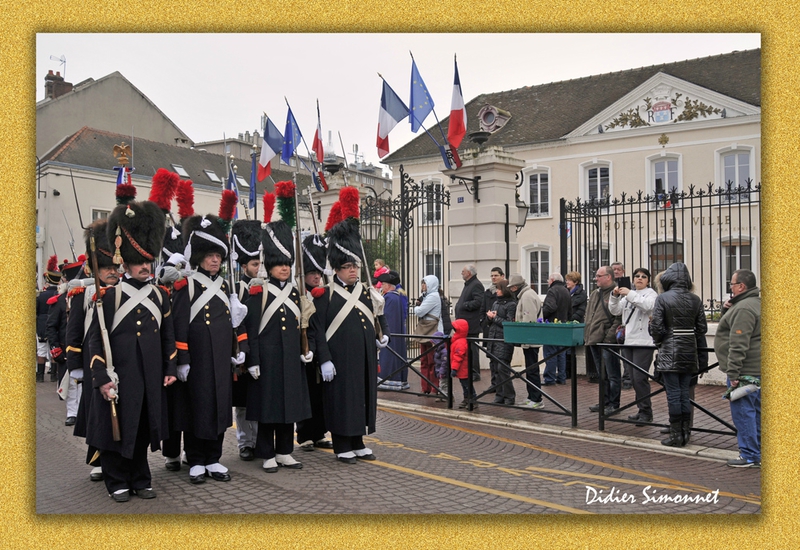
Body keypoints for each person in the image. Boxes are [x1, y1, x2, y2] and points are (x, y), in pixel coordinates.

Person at [85, 199, 177, 502]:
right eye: (140, 262)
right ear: (125, 263)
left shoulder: (160, 297)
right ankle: (117, 480)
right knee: (117, 431)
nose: (146, 267)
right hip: (119, 376)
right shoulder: (108, 298)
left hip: (150, 376)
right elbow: (95, 342)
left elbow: (168, 337)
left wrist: (169, 368)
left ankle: (141, 477)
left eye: (149, 262)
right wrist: (102, 377)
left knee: (141, 430)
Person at [307, 189, 389, 464]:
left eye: (355, 265)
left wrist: (383, 335)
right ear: (337, 269)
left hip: (364, 356)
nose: (353, 270)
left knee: (363, 399)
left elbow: (377, 316)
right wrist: (325, 360)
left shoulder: (366, 291)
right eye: (347, 267)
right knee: (342, 401)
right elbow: (318, 330)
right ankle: (342, 443)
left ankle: (359, 440)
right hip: (339, 359)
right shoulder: (325, 294)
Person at [172, 212, 248, 484]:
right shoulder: (186, 285)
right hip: (197, 360)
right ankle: (195, 459)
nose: (215, 259)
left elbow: (232, 324)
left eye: (218, 255)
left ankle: (213, 458)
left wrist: (238, 346)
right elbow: (179, 325)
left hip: (220, 360)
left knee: (218, 410)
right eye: (209, 255)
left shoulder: (226, 285)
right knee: (196, 410)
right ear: (199, 257)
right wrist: (182, 359)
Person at [244, 212, 312, 473]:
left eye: (287, 264)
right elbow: (252, 330)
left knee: (289, 408)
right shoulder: (259, 291)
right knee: (268, 411)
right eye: (279, 264)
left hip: (291, 358)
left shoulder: (296, 293)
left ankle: (285, 451)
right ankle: (267, 453)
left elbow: (305, 327)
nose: (284, 268)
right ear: (269, 265)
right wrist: (254, 361)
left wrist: (307, 350)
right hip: (268, 360)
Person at [66, 220, 120, 483]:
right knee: (96, 412)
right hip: (92, 361)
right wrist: (74, 363)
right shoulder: (83, 293)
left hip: (118, 359)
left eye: (115, 268)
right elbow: (74, 331)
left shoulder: (123, 291)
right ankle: (97, 458)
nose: (112, 272)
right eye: (107, 268)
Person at [649, 262, 707, 448]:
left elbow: (657, 327)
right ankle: (685, 433)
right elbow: (702, 328)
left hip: (669, 350)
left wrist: (660, 340)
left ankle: (676, 435)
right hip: (689, 351)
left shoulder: (663, 298)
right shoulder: (695, 299)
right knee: (683, 393)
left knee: (673, 394)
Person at [716, 269, 761, 467]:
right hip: (756, 368)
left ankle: (749, 454)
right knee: (756, 412)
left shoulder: (744, 309)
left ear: (741, 286)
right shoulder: (754, 304)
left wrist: (733, 373)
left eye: (732, 284)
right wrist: (727, 310)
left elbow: (738, 343)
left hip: (745, 371)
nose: (730, 288)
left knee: (744, 413)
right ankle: (758, 451)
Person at [228, 219, 263, 462]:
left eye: (259, 262)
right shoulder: (235, 289)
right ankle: (244, 443)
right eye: (254, 263)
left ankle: (259, 441)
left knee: (258, 401)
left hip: (260, 353)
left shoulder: (265, 287)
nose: (258, 267)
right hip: (241, 352)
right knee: (241, 404)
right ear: (243, 266)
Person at [296, 233, 334, 451]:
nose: (316, 277)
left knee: (321, 396)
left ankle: (319, 433)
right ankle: (305, 435)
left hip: (322, 350)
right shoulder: (300, 294)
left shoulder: (324, 295)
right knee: (306, 394)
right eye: (312, 273)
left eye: (319, 273)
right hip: (305, 350)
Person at [609, 267, 657, 426]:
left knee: (639, 378)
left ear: (648, 280)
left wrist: (629, 293)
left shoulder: (651, 294)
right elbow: (615, 310)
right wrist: (615, 296)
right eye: (637, 276)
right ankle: (641, 409)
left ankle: (646, 412)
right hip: (628, 341)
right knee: (632, 377)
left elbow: (647, 306)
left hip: (643, 342)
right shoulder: (627, 294)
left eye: (644, 276)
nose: (640, 279)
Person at [47, 257, 85, 422]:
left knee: (83, 382)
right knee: (69, 383)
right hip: (65, 348)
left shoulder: (86, 298)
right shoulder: (60, 301)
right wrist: (55, 348)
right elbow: (51, 327)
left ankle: (82, 412)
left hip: (83, 347)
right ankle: (72, 413)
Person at [585, 266, 622, 415]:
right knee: (602, 374)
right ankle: (604, 401)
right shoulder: (595, 293)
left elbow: (619, 318)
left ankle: (614, 404)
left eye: (599, 276)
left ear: (608, 277)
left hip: (607, 340)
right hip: (593, 339)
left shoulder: (617, 293)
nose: (596, 278)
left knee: (612, 374)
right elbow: (589, 315)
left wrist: (609, 337)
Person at [508, 274, 544, 409]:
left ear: (516, 287)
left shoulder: (527, 296)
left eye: (511, 287)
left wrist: (526, 340)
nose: (511, 290)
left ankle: (536, 399)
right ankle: (532, 397)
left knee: (532, 369)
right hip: (530, 339)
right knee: (531, 369)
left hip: (530, 340)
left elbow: (529, 319)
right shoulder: (527, 294)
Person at [376, 270, 409, 391]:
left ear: (389, 285)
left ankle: (389, 380)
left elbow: (385, 317)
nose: (382, 286)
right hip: (397, 330)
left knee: (389, 355)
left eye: (384, 284)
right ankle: (400, 380)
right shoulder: (396, 296)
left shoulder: (389, 297)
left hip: (391, 332)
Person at [485, 279, 517, 405]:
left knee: (503, 368)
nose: (496, 291)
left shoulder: (512, 305)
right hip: (493, 338)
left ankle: (509, 396)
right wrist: (489, 317)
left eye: (498, 289)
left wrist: (495, 318)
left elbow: (509, 323)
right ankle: (499, 395)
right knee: (495, 368)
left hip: (504, 339)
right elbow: (489, 323)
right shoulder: (495, 303)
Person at [454, 264, 484, 381]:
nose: (461, 273)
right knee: (467, 349)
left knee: (473, 349)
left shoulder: (476, 285)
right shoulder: (468, 284)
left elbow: (478, 302)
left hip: (471, 324)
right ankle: (468, 371)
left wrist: (465, 305)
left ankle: (475, 372)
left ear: (469, 273)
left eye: (463, 271)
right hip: (465, 324)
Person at [541, 273, 572, 386]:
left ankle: (549, 378)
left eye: (549, 280)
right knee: (561, 353)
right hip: (562, 324)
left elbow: (550, 307)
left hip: (552, 325)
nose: (548, 282)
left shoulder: (552, 291)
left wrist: (540, 315)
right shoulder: (566, 291)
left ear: (552, 280)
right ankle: (562, 377)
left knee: (550, 353)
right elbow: (570, 310)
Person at [414, 274, 443, 395]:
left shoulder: (433, 297)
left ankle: (433, 387)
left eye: (424, 283)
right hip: (426, 330)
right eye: (422, 283)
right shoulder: (427, 296)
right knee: (424, 360)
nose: (422, 286)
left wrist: (416, 307)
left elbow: (420, 312)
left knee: (432, 360)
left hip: (431, 331)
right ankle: (425, 387)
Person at [36, 256, 60, 382]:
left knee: (41, 351)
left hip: (41, 325)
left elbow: (36, 312)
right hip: (55, 325)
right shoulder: (59, 295)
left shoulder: (41, 296)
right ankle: (54, 376)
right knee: (53, 350)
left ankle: (39, 376)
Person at [449, 319, 477, 410]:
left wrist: (454, 369)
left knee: (467, 385)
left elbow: (458, 357)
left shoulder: (460, 342)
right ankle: (467, 399)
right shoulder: (458, 340)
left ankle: (472, 400)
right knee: (465, 385)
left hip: (462, 369)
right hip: (462, 369)